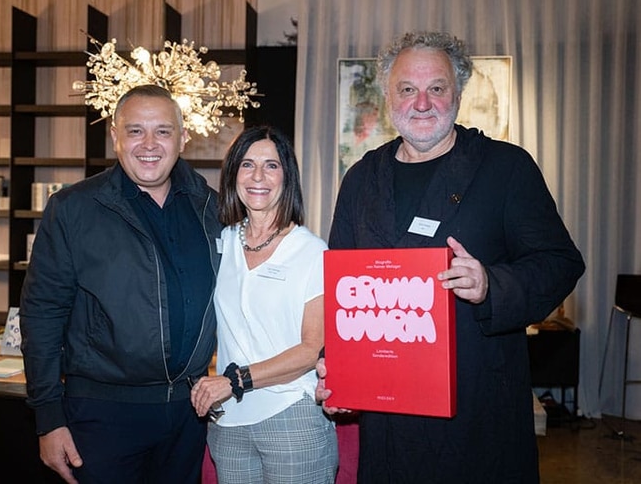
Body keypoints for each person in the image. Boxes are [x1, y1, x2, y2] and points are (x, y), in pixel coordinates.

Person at [316, 31, 585, 483]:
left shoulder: (506, 168)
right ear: (388, 97)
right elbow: (341, 290)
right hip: (389, 423)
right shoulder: (361, 179)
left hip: (478, 416)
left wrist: (490, 285)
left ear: (458, 93)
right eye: (407, 89)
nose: (422, 103)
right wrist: (338, 370)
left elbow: (560, 262)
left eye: (436, 88)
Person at [20, 84, 222, 484]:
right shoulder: (75, 208)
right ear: (115, 136)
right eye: (135, 131)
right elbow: (42, 313)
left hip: (189, 414)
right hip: (102, 415)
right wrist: (48, 417)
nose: (149, 144)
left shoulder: (211, 207)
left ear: (183, 138)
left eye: (163, 131)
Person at [190, 126, 338, 483]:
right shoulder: (220, 243)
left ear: (287, 177)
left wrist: (235, 380)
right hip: (228, 424)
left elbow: (310, 349)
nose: (258, 176)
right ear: (232, 175)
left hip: (291, 415)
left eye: (271, 166)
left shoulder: (311, 251)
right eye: (247, 164)